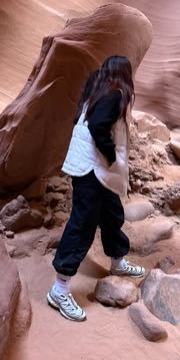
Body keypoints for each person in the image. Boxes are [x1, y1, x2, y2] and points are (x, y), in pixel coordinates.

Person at [47, 56, 145, 322]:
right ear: (124, 74)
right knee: (82, 225)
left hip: (93, 169)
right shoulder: (114, 95)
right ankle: (60, 289)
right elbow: (97, 127)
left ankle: (117, 261)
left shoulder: (97, 89)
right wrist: (112, 157)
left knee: (112, 215)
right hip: (94, 170)